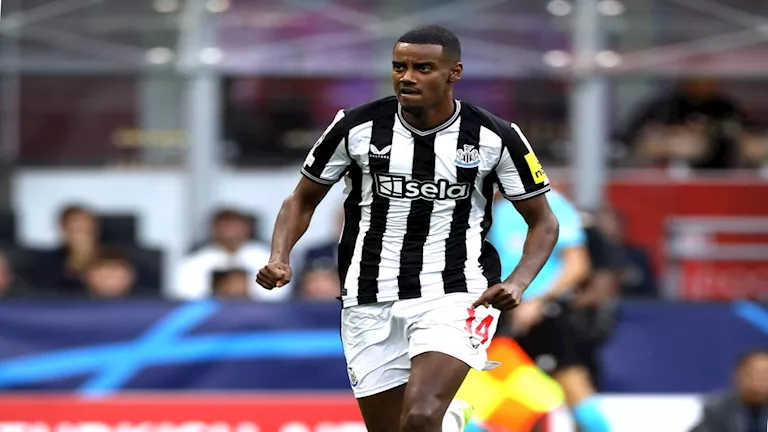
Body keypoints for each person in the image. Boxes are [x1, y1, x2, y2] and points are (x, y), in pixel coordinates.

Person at [257, 25, 559, 432]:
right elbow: (301, 200)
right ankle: (448, 421)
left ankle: (439, 417)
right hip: (367, 295)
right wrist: (280, 256)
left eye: (423, 68)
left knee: (420, 417)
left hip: (456, 292)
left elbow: (543, 221)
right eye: (399, 67)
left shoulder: (495, 136)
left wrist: (518, 282)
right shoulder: (355, 126)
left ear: (454, 73)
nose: (407, 77)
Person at [489, 189, 612, 432]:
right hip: (501, 315)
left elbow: (577, 265)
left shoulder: (551, 203)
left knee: (573, 387)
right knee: (488, 396)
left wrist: (539, 301)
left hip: (544, 315)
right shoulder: (490, 208)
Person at [691, 348, 768, 432]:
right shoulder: (717, 411)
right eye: (756, 373)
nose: (762, 380)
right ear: (739, 375)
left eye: (765, 374)